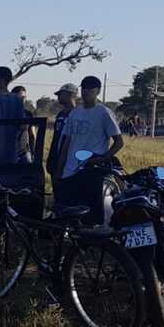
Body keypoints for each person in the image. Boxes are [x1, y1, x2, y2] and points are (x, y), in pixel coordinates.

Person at [55, 76, 124, 220]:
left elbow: (118, 142)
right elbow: (66, 142)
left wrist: (102, 158)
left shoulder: (104, 113)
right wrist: (59, 168)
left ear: (97, 91)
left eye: (90, 89)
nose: (86, 92)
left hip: (92, 171)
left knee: (91, 212)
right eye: (83, 88)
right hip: (70, 171)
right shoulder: (75, 113)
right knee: (70, 210)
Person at [46, 83, 77, 184]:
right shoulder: (60, 114)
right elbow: (56, 137)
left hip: (69, 159)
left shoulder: (77, 114)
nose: (58, 97)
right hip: (55, 157)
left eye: (61, 94)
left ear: (71, 95)